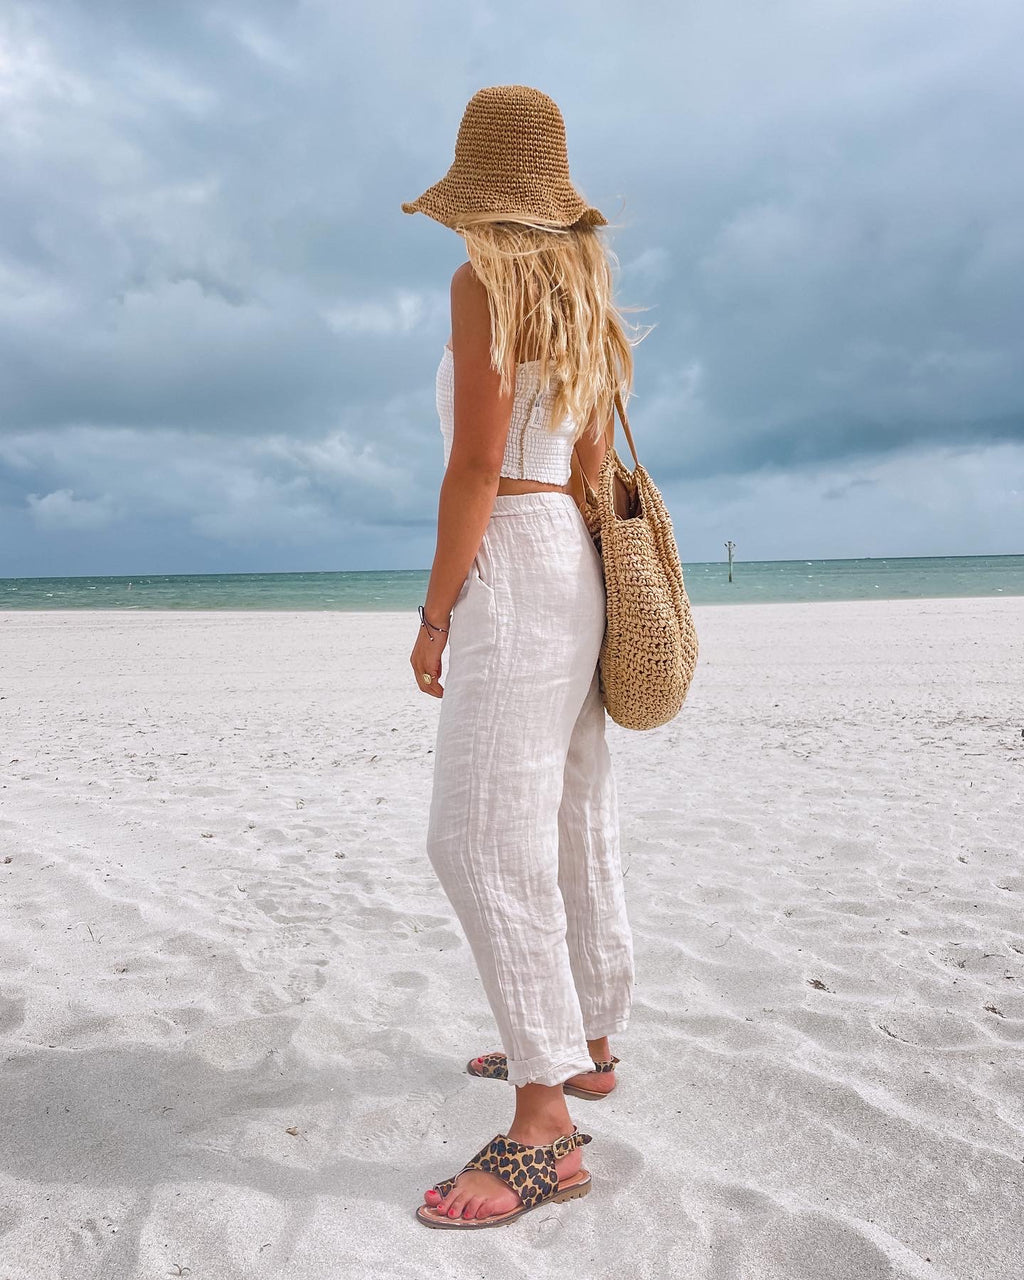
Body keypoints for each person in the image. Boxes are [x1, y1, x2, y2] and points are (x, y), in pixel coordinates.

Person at [402, 84, 640, 1230]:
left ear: (476, 194)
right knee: (568, 807)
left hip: (511, 549)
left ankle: (545, 1124)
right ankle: (587, 1037)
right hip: (573, 552)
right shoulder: (582, 287)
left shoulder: (481, 282)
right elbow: (588, 458)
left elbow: (475, 466)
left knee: (474, 835)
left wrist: (434, 611)